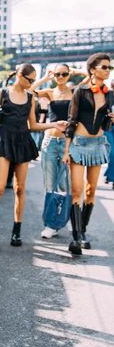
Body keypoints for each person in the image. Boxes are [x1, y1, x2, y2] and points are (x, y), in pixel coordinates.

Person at [0, 64, 67, 253]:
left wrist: (55, 124)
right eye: (31, 80)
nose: (32, 83)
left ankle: (16, 231)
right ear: (20, 76)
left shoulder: (30, 98)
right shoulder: (1, 93)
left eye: (34, 80)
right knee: (0, 188)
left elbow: (33, 125)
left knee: (20, 189)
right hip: (3, 142)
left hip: (23, 143)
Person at [62, 53, 114, 255]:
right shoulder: (80, 92)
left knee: (92, 191)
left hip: (98, 143)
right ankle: (76, 237)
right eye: (104, 67)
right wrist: (67, 150)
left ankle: (82, 231)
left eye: (109, 68)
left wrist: (111, 119)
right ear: (93, 69)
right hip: (78, 144)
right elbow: (71, 120)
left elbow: (106, 123)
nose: (108, 71)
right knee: (77, 191)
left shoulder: (110, 94)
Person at [30, 64, 74, 239]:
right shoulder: (49, 91)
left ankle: (65, 216)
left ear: (69, 74)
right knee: (50, 184)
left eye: (64, 74)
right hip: (49, 142)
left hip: (67, 142)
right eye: (58, 74)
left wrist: (77, 72)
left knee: (65, 184)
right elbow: (30, 91)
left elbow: (92, 78)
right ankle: (50, 224)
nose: (61, 77)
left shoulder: (75, 92)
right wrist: (45, 79)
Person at [104, 79, 114, 189]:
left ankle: (110, 175)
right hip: (108, 127)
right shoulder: (107, 95)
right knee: (112, 153)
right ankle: (111, 176)